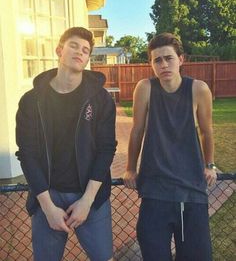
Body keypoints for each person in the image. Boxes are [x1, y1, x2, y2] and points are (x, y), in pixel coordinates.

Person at [15, 27, 116, 261]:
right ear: (59, 50)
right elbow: (27, 155)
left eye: (85, 50)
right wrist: (48, 207)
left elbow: (106, 149)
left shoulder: (100, 99)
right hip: (48, 196)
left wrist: (87, 201)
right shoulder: (32, 101)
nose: (80, 52)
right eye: (73, 45)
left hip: (90, 195)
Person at [123, 32, 217, 261]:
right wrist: (130, 168)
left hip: (191, 191)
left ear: (181, 59)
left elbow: (207, 131)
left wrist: (210, 164)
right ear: (151, 64)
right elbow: (137, 130)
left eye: (169, 58)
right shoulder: (145, 88)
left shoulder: (198, 89)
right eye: (157, 60)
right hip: (155, 190)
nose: (163, 64)